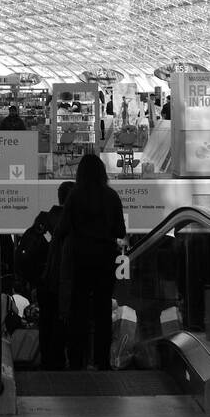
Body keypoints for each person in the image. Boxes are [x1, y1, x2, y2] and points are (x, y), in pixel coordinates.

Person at [56, 151, 127, 371]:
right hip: (105, 258)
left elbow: (63, 228)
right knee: (103, 310)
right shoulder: (112, 196)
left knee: (79, 311)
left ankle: (77, 359)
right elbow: (120, 230)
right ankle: (101, 360)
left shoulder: (75, 196)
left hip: (80, 258)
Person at [38, 181, 74, 370]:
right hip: (64, 282)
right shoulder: (73, 224)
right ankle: (60, 363)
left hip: (45, 281)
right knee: (63, 323)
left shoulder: (44, 219)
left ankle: (46, 362)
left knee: (46, 323)